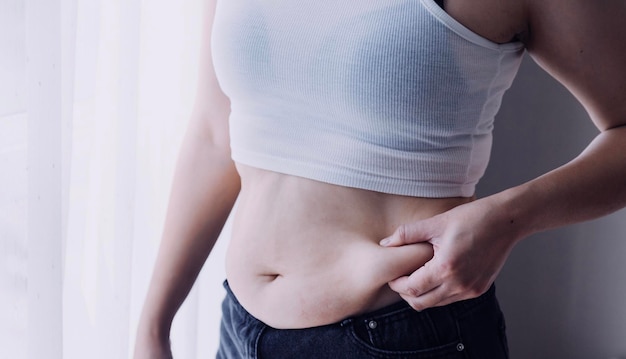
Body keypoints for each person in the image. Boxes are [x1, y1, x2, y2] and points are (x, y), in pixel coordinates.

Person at [134, 0, 626, 357]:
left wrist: (508, 219)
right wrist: (154, 325)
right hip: (238, 328)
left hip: (400, 337)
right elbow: (216, 134)